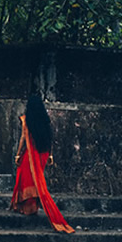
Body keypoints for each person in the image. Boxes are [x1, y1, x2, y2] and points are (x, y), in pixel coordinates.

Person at [10, 94, 74, 233]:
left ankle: (27, 208)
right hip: (43, 153)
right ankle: (32, 208)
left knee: (26, 176)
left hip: (32, 153)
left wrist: (18, 154)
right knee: (36, 179)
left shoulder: (27, 120)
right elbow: (50, 137)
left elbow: (23, 138)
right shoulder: (45, 120)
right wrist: (50, 155)